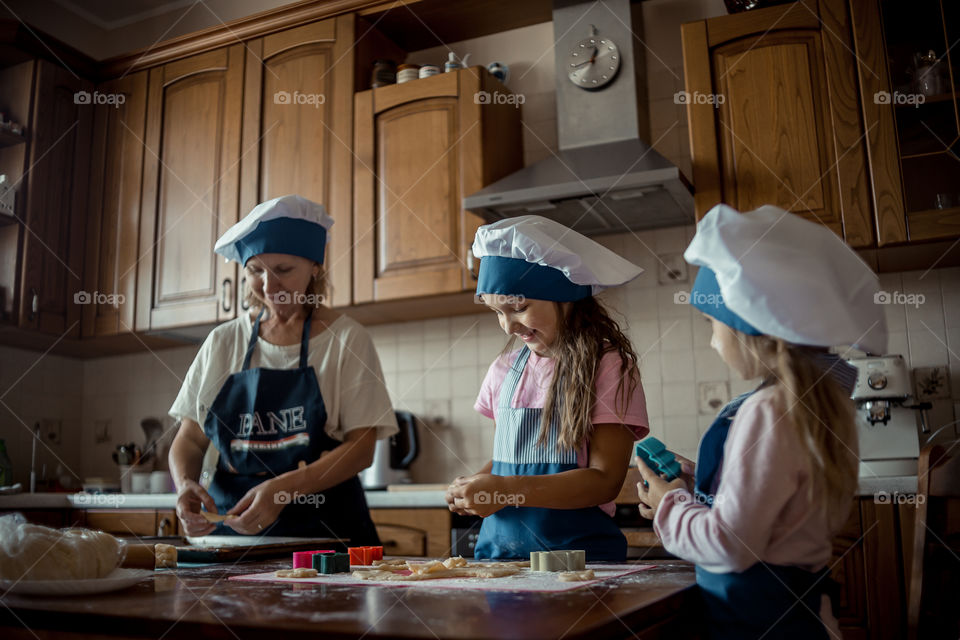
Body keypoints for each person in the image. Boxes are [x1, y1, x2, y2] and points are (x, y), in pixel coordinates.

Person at [636, 204, 887, 639]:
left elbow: (729, 546)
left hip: (759, 625)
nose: (713, 342)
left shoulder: (769, 410)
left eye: (713, 324)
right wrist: (699, 485)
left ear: (752, 326)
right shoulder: (814, 402)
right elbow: (773, 508)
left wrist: (670, 504)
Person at [168, 195, 397, 541]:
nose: (269, 285)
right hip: (233, 535)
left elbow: (362, 447)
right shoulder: (223, 342)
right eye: (255, 270)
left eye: (284, 270)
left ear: (315, 268)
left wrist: (282, 490)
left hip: (326, 536)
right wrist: (185, 482)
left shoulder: (346, 339)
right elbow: (190, 438)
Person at [445, 215, 649, 561]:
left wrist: (506, 491)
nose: (508, 326)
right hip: (499, 560)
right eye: (498, 312)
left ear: (565, 296)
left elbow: (604, 480)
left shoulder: (608, 366)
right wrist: (472, 486)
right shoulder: (504, 370)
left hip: (577, 561)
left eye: (519, 308)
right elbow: (512, 461)